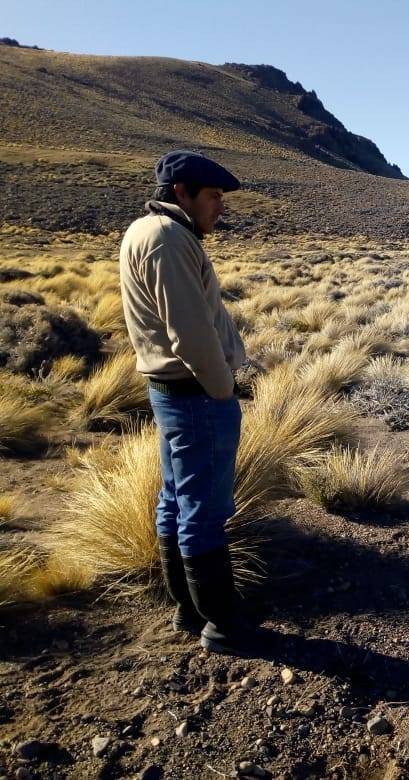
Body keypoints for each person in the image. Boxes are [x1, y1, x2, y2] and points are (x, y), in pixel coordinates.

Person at [119, 150, 262, 658]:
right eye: (213, 196)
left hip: (175, 394)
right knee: (203, 509)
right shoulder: (166, 239)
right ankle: (222, 624)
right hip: (196, 394)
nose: (220, 206)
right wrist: (222, 389)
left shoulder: (147, 231)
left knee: (176, 499)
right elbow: (191, 333)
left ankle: (188, 608)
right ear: (181, 192)